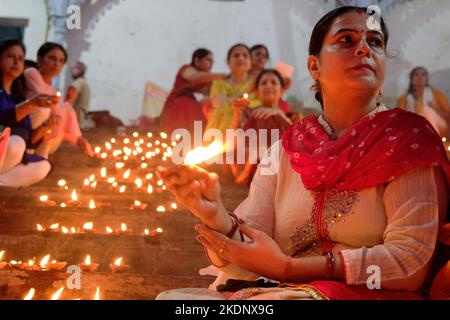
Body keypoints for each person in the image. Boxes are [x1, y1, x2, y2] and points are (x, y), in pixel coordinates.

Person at [156, 6, 449, 300]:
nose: (363, 49)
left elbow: (410, 265)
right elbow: (247, 255)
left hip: (366, 295)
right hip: (283, 293)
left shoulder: (407, 139)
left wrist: (289, 268)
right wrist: (215, 215)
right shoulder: (285, 148)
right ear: (314, 66)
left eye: (375, 42)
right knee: (176, 301)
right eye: (346, 40)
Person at [0, 39, 57, 187]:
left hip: (10, 158)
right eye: (10, 57)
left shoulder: (19, 95)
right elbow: (3, 118)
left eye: (20, 58)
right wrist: (32, 104)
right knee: (16, 143)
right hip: (8, 149)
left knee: (43, 166)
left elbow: (29, 137)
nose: (16, 62)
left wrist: (45, 127)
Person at [24, 42, 93, 158]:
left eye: (61, 61)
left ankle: (41, 158)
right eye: (52, 58)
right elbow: (42, 99)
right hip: (24, 127)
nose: (56, 64)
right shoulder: (31, 73)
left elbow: (57, 112)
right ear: (39, 59)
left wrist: (66, 103)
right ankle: (29, 150)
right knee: (47, 111)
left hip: (41, 131)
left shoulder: (52, 90)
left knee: (58, 119)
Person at [229, 69, 294, 186]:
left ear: (282, 90)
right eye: (263, 83)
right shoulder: (249, 113)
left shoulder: (292, 117)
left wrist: (278, 114)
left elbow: (299, 141)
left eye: (273, 82)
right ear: (257, 92)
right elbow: (232, 141)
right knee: (262, 118)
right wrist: (237, 114)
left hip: (282, 164)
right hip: (253, 164)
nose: (268, 86)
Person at [160, 49, 225, 135]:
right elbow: (195, 76)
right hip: (176, 111)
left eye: (212, 61)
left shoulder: (210, 80)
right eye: (208, 60)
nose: (211, 64)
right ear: (197, 60)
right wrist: (226, 75)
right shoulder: (186, 69)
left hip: (194, 115)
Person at [206, 44, 258, 137]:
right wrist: (246, 91)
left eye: (245, 55)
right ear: (228, 62)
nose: (241, 58)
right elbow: (219, 103)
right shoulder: (219, 83)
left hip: (254, 133)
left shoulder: (259, 83)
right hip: (222, 134)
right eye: (236, 55)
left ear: (251, 62)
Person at [397, 67, 450, 136]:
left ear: (426, 79)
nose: (420, 77)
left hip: (440, 125)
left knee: (426, 110)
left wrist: (435, 108)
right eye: (416, 75)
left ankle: (433, 142)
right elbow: (400, 119)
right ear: (411, 79)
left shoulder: (437, 94)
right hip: (414, 126)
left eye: (423, 75)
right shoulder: (403, 99)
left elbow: (447, 116)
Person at [70, 61, 91, 129]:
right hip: (82, 116)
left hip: (77, 116)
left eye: (74, 68)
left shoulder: (78, 82)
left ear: (80, 70)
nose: (72, 70)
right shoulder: (84, 83)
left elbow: (70, 98)